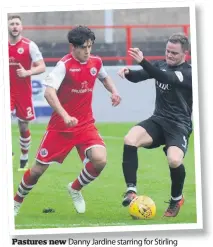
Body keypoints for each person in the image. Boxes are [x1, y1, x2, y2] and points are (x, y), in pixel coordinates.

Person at [14, 25, 121, 216]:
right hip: (60, 128)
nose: (88, 51)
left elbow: (104, 77)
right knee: (38, 170)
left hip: (85, 125)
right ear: (73, 46)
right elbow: (48, 92)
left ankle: (75, 188)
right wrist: (65, 116)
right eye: (83, 47)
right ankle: (16, 203)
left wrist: (114, 92)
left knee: (100, 160)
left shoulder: (96, 61)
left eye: (90, 46)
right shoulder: (64, 65)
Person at [118, 33, 192, 217]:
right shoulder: (160, 64)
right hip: (158, 120)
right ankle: (131, 190)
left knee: (174, 160)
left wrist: (143, 61)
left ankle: (176, 199)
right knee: (130, 139)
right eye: (168, 51)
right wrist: (128, 73)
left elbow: (165, 78)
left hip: (179, 125)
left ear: (185, 53)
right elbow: (140, 76)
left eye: (174, 52)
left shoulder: (187, 73)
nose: (169, 55)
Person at [8, 15, 46, 171]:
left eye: (17, 24)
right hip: (7, 91)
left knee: (23, 126)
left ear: (21, 27)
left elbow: (42, 66)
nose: (15, 27)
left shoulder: (30, 45)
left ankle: (24, 157)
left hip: (23, 91)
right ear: (7, 27)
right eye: (12, 24)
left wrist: (28, 72)